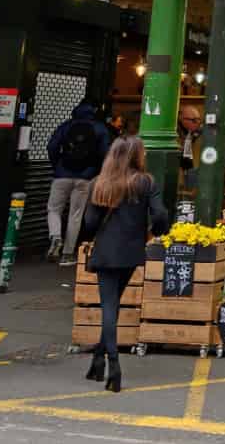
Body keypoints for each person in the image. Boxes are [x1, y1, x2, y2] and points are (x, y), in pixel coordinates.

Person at [75, 137, 171, 393]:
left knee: (109, 305)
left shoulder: (99, 183)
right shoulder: (145, 182)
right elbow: (160, 214)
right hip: (131, 251)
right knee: (113, 304)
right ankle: (99, 361)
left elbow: (90, 223)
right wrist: (154, 231)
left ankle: (112, 365)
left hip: (106, 251)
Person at [45, 103, 111, 266]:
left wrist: (57, 165)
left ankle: (55, 236)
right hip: (86, 177)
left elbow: (52, 146)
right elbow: (105, 153)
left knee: (54, 209)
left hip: (61, 174)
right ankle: (68, 254)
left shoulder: (66, 126)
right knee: (76, 215)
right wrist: (97, 171)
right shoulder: (100, 128)